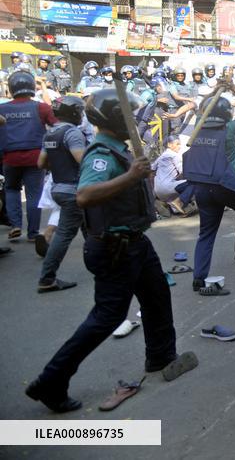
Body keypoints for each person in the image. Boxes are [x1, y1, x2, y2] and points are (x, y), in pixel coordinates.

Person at [25, 88, 197, 414]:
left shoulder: (118, 148)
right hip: (114, 247)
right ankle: (51, 380)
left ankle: (161, 355)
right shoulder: (100, 153)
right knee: (108, 315)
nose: (135, 121)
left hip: (133, 241)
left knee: (157, 294)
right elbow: (85, 195)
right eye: (129, 116)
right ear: (116, 119)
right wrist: (132, 175)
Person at [180, 81, 235, 294]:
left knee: (206, 233)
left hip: (202, 186)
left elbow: (203, 106)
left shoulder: (198, 125)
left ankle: (199, 278)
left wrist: (216, 91)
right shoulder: (231, 129)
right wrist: (233, 88)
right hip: (226, 185)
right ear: (226, 114)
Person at [36, 95, 88, 293]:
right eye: (79, 111)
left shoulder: (50, 134)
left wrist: (59, 162)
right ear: (73, 112)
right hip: (72, 189)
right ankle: (47, 278)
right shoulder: (72, 133)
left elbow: (41, 163)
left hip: (58, 187)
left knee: (89, 227)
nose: (81, 114)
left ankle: (104, 265)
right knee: (64, 235)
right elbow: (82, 161)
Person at [0, 70, 57, 243]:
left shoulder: (2, 108)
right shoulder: (41, 107)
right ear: (32, 86)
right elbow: (56, 125)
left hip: (9, 158)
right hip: (36, 158)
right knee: (34, 194)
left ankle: (16, 225)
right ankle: (33, 233)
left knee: (11, 190)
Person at [152, 135, 188, 215]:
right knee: (194, 183)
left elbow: (152, 169)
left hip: (157, 191)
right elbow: (183, 171)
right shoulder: (174, 155)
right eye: (177, 144)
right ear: (169, 145)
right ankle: (178, 202)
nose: (179, 146)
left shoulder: (161, 156)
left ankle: (167, 204)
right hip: (168, 188)